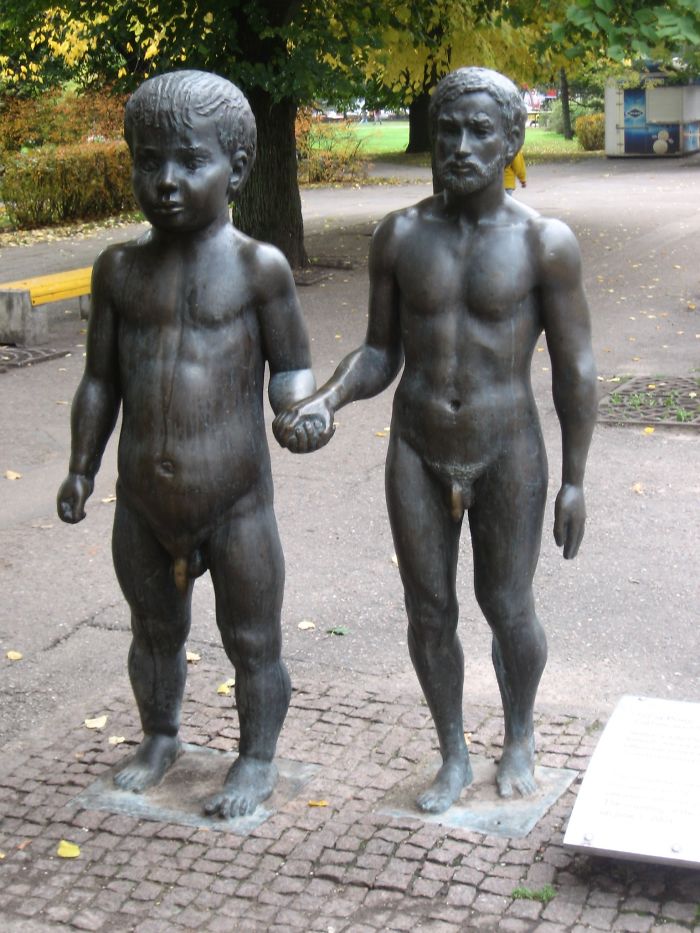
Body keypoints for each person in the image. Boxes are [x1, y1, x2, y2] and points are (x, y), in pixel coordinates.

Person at [273, 67, 597, 813]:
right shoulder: (401, 235)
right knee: (428, 610)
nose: (459, 146)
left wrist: (576, 477)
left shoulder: (546, 243)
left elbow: (576, 372)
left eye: (481, 130)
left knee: (508, 603)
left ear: (512, 138)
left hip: (507, 443)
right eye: (447, 130)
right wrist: (327, 399)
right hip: (417, 445)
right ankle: (451, 749)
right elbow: (380, 352)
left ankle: (519, 735)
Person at [57, 70, 316, 819]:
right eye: (148, 160)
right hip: (143, 497)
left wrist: (299, 410)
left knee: (251, 637)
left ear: (235, 169)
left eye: (189, 162)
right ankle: (160, 734)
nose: (165, 181)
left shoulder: (257, 268)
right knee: (154, 630)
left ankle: (256, 755)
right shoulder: (119, 270)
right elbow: (100, 381)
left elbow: (292, 365)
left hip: (234, 501)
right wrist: (82, 465)